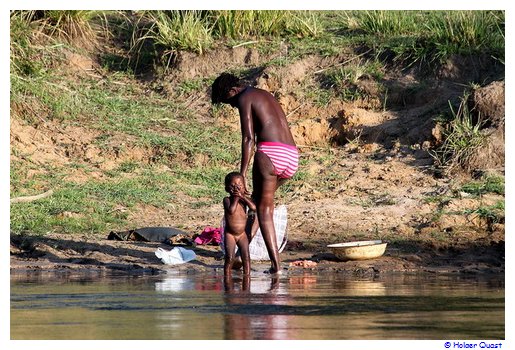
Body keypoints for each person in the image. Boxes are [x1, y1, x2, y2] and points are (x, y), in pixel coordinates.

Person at [212, 73, 299, 274]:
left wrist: (241, 173)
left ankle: (276, 266)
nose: (233, 106)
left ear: (232, 91)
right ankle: (241, 256)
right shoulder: (264, 94)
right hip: (291, 156)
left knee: (264, 211)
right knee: (260, 203)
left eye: (230, 102)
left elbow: (248, 139)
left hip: (270, 154)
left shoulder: (244, 97)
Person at [223, 171, 256, 277]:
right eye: (232, 186)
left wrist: (243, 197)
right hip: (230, 234)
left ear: (244, 187)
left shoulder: (245, 200)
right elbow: (231, 210)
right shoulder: (227, 200)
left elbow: (253, 208)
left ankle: (247, 276)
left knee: (246, 257)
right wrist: (236, 198)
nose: (236, 189)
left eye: (239, 186)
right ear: (227, 188)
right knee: (230, 257)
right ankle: (227, 276)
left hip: (242, 234)